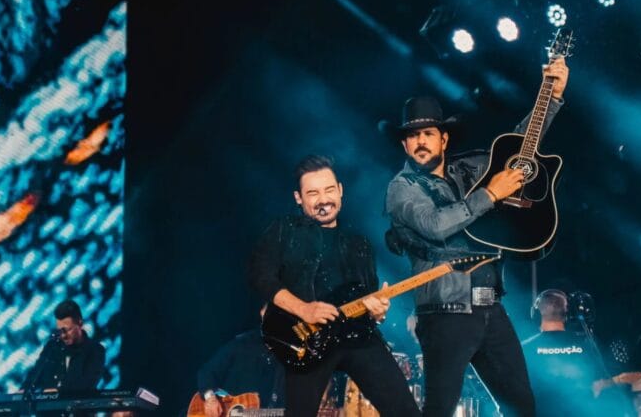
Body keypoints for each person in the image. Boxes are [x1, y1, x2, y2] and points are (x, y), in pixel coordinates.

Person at [384, 57, 569, 417]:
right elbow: (436, 224)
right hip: (444, 312)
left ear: (444, 138)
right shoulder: (402, 188)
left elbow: (520, 149)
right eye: (413, 136)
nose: (420, 141)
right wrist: (491, 194)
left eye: (428, 134)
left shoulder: (470, 168)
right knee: (439, 409)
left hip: (490, 306)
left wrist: (551, 98)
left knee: (522, 407)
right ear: (404, 145)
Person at [249, 155, 421, 417]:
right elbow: (260, 275)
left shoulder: (359, 243)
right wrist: (304, 309)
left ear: (340, 190)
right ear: (298, 198)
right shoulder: (284, 230)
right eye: (313, 193)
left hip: (357, 336)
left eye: (329, 190)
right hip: (307, 340)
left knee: (406, 412)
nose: (323, 200)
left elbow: (368, 298)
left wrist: (378, 312)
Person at [521, 289, 603, 416]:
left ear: (536, 312)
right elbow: (598, 384)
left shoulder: (525, 348)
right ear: (567, 314)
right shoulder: (586, 344)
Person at [21, 299, 106, 392]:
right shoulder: (52, 346)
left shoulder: (96, 350)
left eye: (67, 330)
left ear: (80, 323)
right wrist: (23, 390)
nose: (63, 335)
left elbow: (86, 385)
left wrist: (58, 392)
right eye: (60, 330)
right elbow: (35, 373)